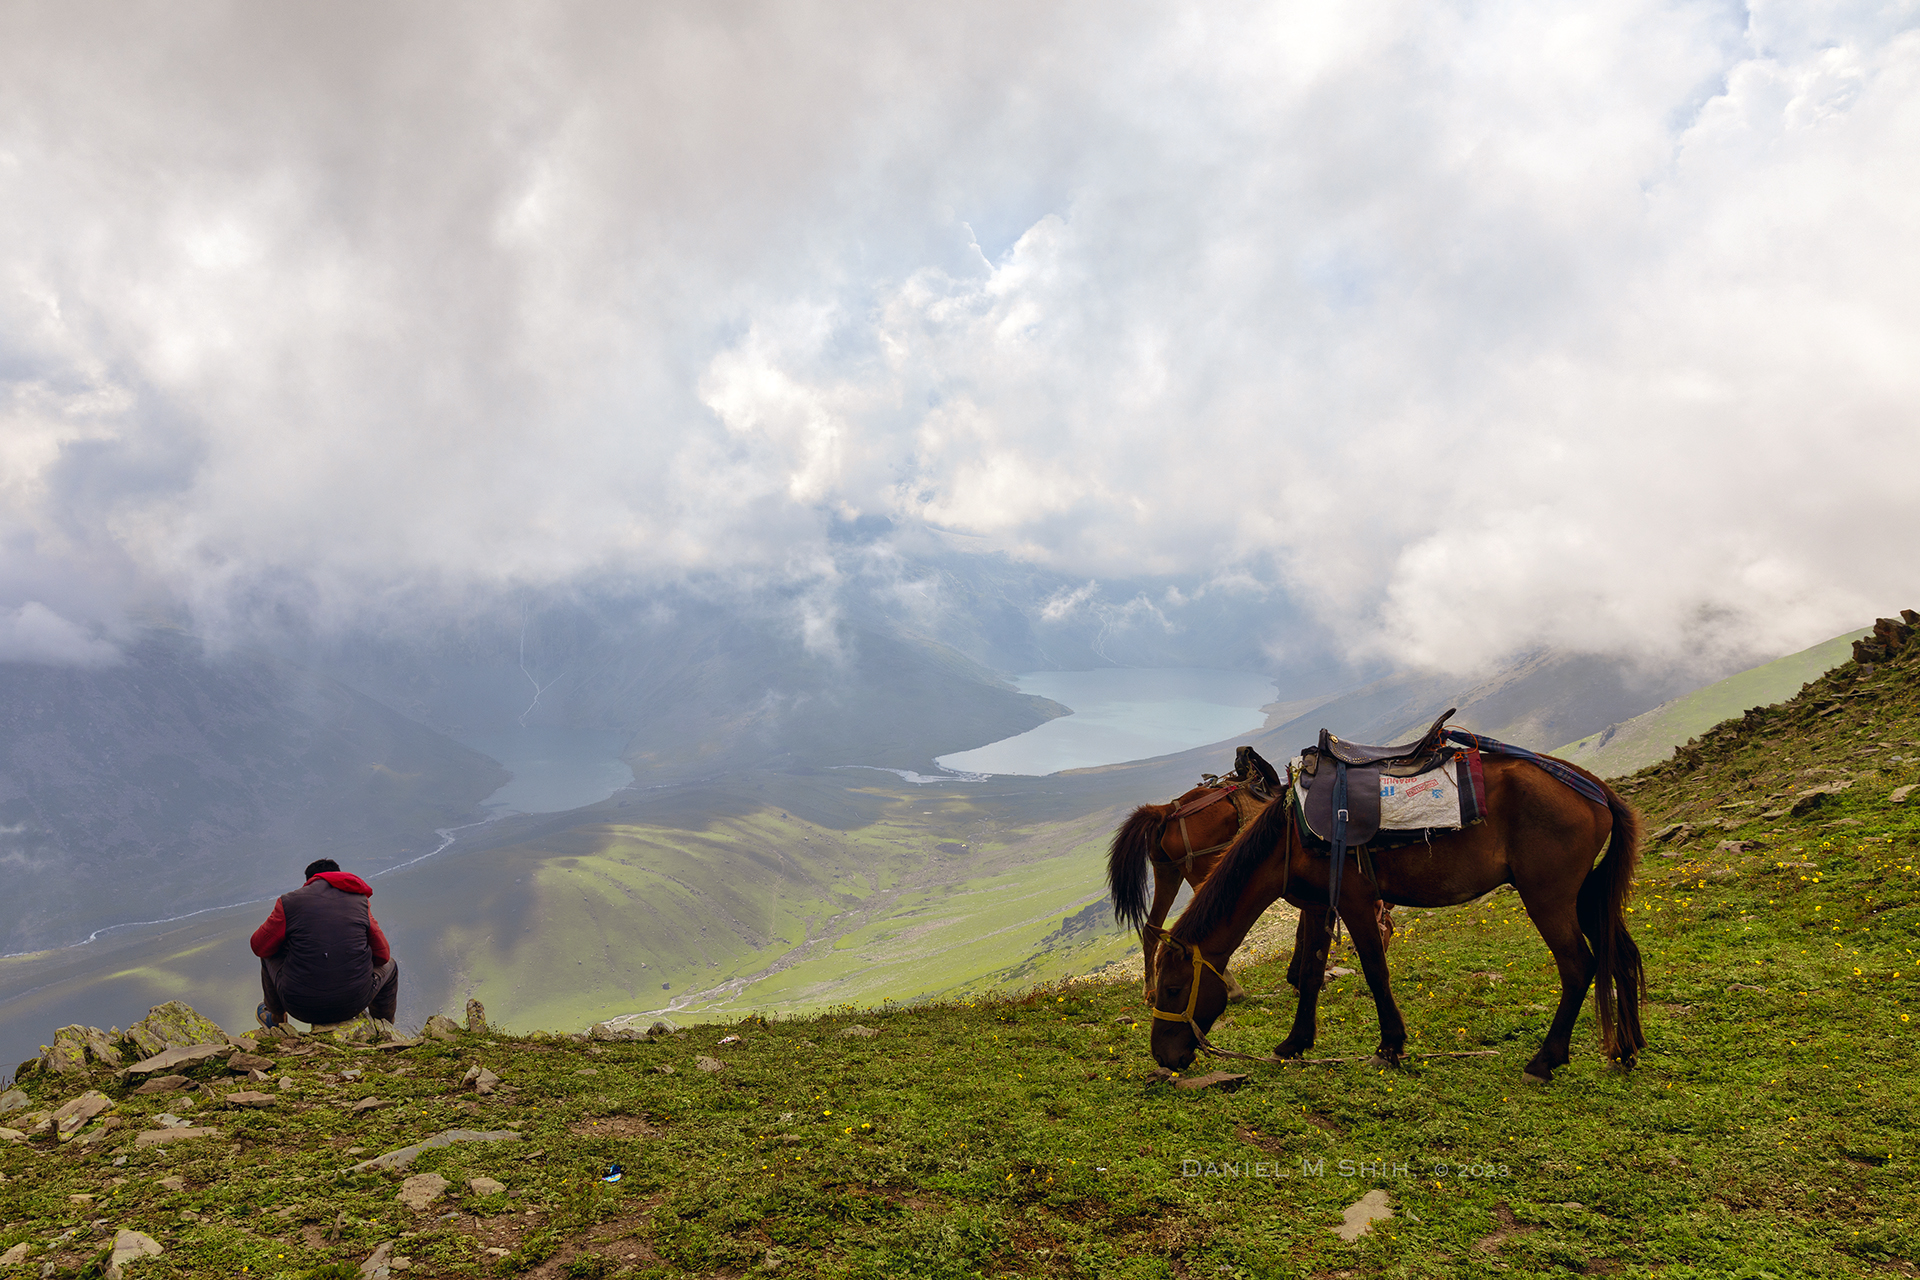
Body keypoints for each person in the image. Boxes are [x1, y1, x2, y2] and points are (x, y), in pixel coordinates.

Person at [250, 858, 398, 1034]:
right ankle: (383, 1028)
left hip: (300, 1007)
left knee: (269, 953)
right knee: (391, 965)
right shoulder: (360, 901)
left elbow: (259, 947)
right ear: (339, 876)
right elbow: (382, 955)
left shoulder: (289, 902)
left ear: (309, 881)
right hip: (354, 1003)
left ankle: (275, 1019)